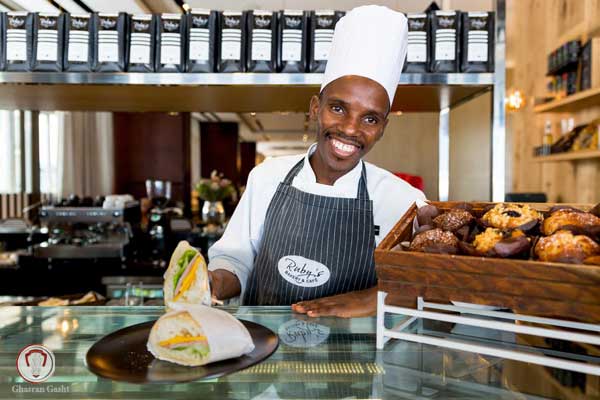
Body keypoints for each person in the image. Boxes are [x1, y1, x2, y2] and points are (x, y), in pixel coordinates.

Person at [207, 5, 426, 318]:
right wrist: (210, 283)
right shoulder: (266, 177)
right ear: (314, 108)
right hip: (263, 346)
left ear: (383, 128)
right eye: (338, 108)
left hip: (357, 351)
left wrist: (373, 298)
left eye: (370, 118)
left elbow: (429, 290)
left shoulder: (404, 201)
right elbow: (235, 261)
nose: (350, 129)